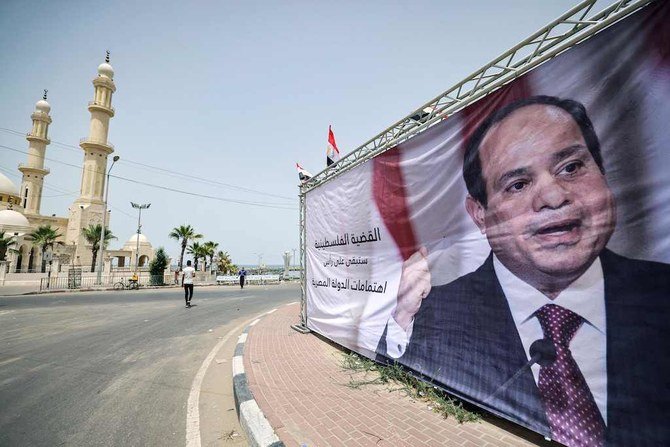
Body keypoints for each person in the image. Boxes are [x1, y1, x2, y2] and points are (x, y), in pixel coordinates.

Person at [378, 96, 670, 447]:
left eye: (571, 167)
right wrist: (401, 316)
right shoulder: (441, 311)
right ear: (480, 215)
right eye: (518, 184)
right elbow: (398, 385)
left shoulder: (660, 294)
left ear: (603, 173)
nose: (553, 196)